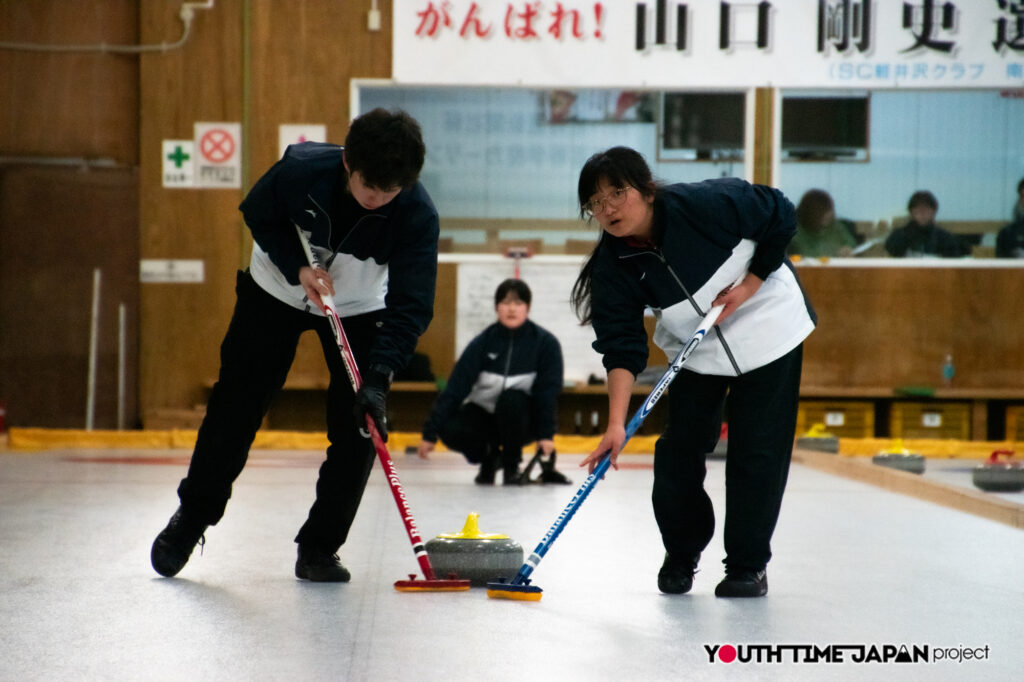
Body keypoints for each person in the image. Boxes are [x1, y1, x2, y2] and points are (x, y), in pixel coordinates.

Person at [150, 108, 439, 582]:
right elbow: (256, 213)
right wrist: (297, 268)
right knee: (236, 405)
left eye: (392, 192)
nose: (380, 200)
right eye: (372, 188)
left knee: (361, 426)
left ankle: (320, 547)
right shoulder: (302, 170)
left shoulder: (416, 214)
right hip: (276, 290)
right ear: (349, 164)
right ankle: (193, 517)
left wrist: (381, 378)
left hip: (358, 306)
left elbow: (412, 304)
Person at [571, 147, 815, 598]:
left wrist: (749, 285)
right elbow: (621, 348)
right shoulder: (615, 267)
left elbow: (779, 211)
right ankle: (681, 554)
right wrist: (616, 424)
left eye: (617, 194)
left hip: (770, 328)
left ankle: (747, 566)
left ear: (646, 190)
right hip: (696, 349)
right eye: (596, 203)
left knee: (756, 452)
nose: (607, 210)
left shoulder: (705, 205)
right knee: (678, 453)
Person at [416, 279, 568, 486]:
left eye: (518, 303)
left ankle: (511, 466)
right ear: (497, 307)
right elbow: (455, 389)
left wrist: (546, 434)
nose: (512, 309)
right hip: (486, 419)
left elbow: (547, 393)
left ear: (528, 308)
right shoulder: (482, 342)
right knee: (449, 425)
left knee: (511, 400)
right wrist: (430, 433)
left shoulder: (546, 344)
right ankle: (490, 458)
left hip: (523, 421)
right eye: (506, 303)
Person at [884, 190, 968, 258]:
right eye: (918, 211)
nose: (922, 214)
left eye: (926, 210)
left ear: (934, 212)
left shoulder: (944, 238)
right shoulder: (898, 236)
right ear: (911, 213)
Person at [787, 188, 857, 258]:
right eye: (820, 211)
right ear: (809, 212)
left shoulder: (836, 227)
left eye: (828, 211)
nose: (826, 216)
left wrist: (848, 250)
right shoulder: (793, 231)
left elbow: (851, 245)